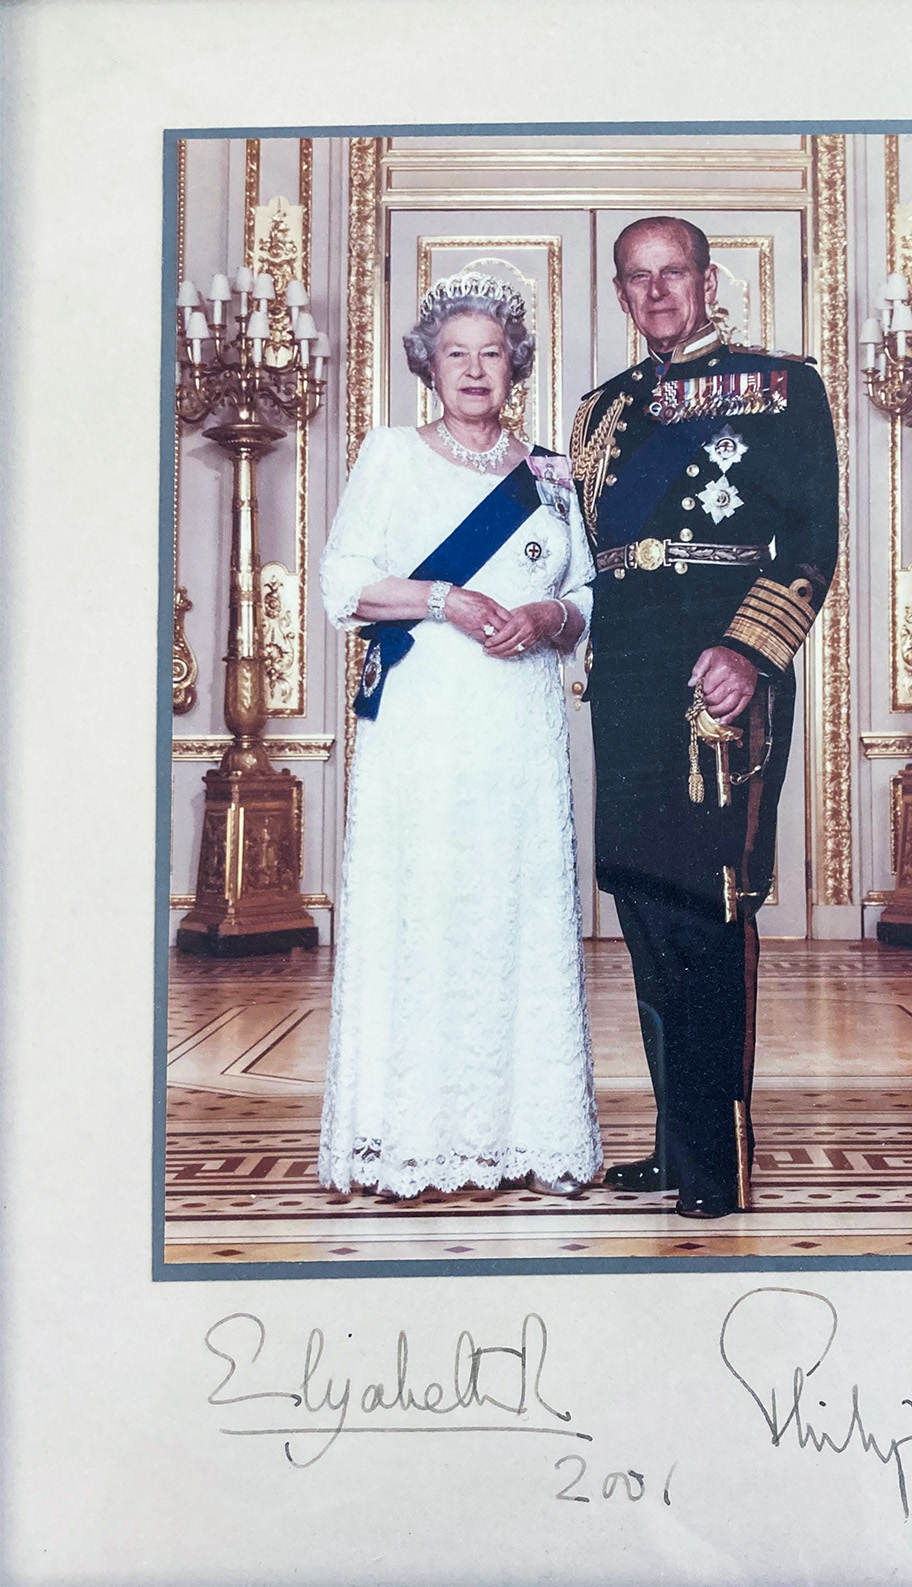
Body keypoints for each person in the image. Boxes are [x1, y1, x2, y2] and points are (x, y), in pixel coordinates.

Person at [570, 217, 839, 1219]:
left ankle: (719, 1161)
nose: (656, 294)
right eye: (635, 280)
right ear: (620, 294)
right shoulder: (606, 411)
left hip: (720, 672)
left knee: (709, 912)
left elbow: (813, 539)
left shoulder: (778, 388)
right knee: (645, 911)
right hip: (632, 676)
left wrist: (751, 650)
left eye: (671, 273)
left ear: (707, 278)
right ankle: (677, 1147)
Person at [318, 271, 602, 1202]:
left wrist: (553, 616)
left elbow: (591, 592)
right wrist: (446, 599)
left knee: (512, 910)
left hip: (519, 729)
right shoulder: (392, 454)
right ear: (428, 366)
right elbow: (342, 586)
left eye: (491, 353)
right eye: (456, 354)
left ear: (515, 362)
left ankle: (521, 1136)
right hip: (426, 726)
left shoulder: (552, 473)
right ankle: (410, 1141)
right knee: (429, 907)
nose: (475, 370)